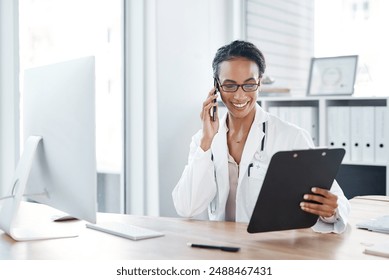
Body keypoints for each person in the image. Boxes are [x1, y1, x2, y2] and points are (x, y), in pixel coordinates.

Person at [172, 40, 350, 233]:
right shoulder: (203, 140)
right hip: (221, 247)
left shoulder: (291, 137)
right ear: (216, 86)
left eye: (249, 85)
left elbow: (337, 200)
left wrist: (330, 211)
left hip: (271, 247)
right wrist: (207, 141)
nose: (239, 96)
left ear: (260, 82)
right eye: (230, 86)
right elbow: (187, 207)